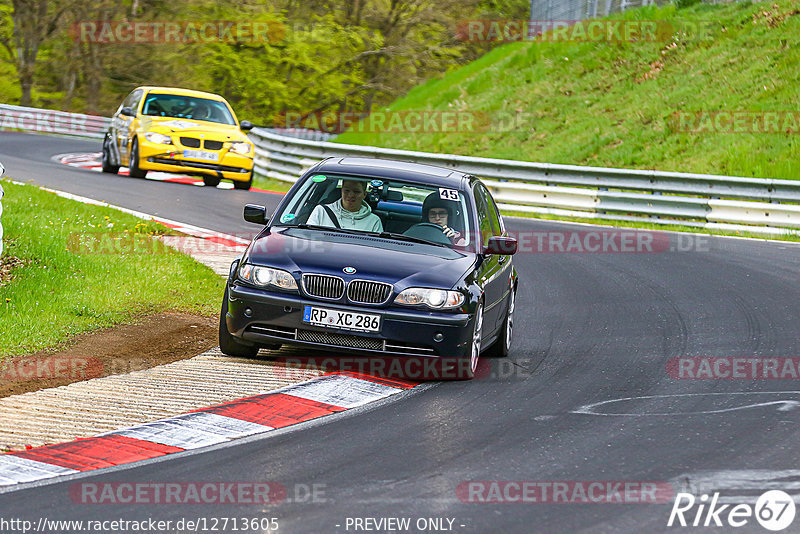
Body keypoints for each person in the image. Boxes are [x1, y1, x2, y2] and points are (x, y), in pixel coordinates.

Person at [307, 179, 383, 232]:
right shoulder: (321, 211)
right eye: (347, 190)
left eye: (356, 192)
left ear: (364, 194)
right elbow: (308, 241)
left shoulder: (374, 221)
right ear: (341, 191)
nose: (350, 195)